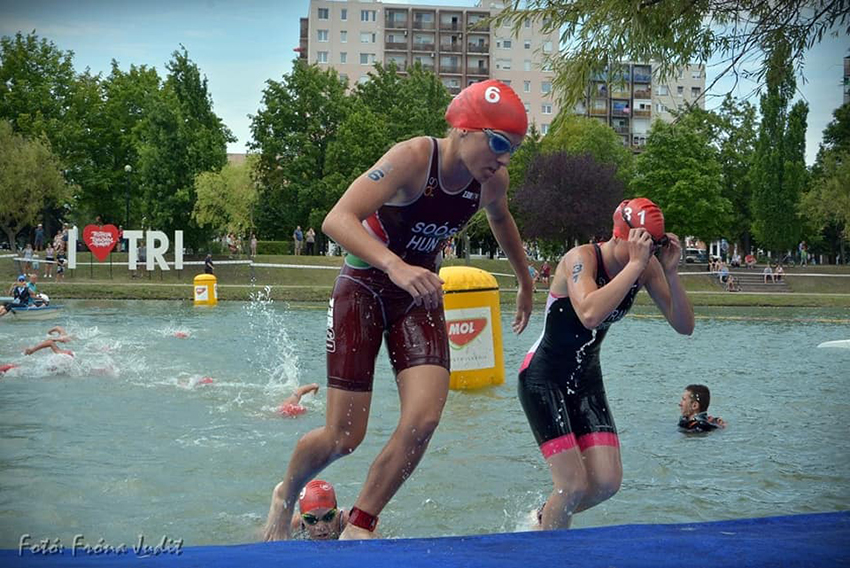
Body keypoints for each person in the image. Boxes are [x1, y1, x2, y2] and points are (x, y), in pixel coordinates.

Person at [263, 79, 534, 541]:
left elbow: (501, 218)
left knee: (424, 419)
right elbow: (337, 219)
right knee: (344, 437)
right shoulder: (412, 158)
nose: (504, 158)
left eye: (513, 149)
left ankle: (362, 523)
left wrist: (526, 281)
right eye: (499, 143)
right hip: (363, 286)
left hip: (416, 293)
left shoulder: (492, 181)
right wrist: (395, 265)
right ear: (465, 130)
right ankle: (286, 493)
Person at [518, 198, 694, 530]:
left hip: (585, 378)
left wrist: (670, 272)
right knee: (571, 486)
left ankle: (543, 519)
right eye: (643, 243)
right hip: (544, 378)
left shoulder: (646, 268)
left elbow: (684, 326)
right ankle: (551, 550)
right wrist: (633, 267)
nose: (648, 253)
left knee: (606, 484)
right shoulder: (580, 258)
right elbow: (588, 313)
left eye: (654, 246)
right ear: (622, 236)